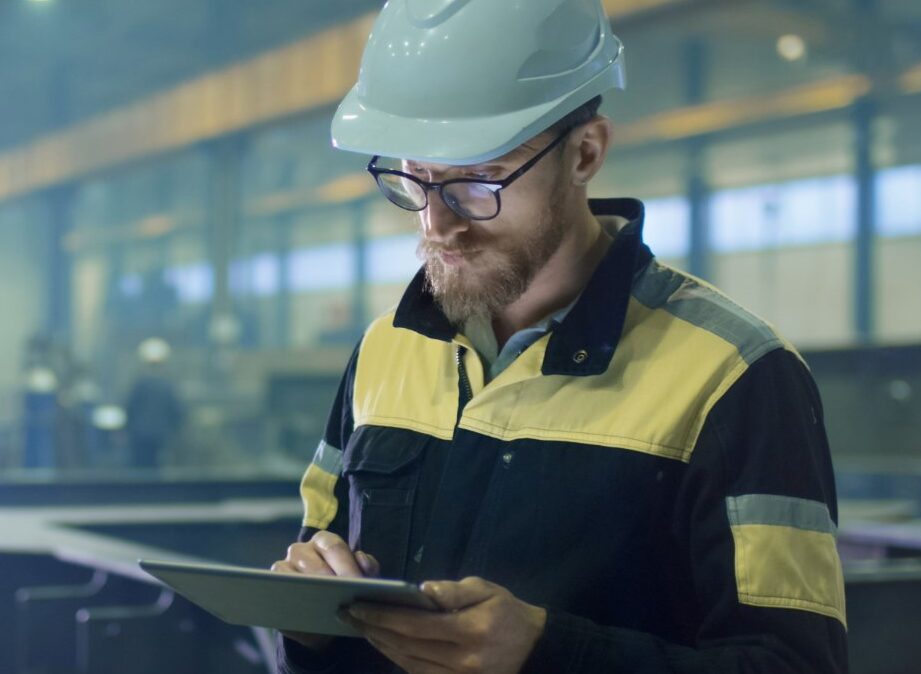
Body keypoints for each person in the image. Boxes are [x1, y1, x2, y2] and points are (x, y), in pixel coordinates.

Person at [271, 1, 848, 673]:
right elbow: (323, 574)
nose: (437, 225)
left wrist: (549, 655)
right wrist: (307, 629)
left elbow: (794, 664)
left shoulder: (732, 376)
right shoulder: (385, 351)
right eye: (413, 179)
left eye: (478, 180)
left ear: (584, 153)